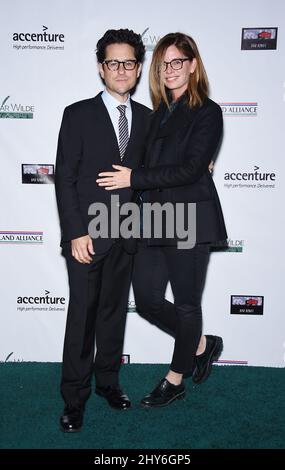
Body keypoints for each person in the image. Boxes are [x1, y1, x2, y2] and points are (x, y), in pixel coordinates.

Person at [97, 32, 227, 407]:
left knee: (187, 304)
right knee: (149, 300)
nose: (170, 70)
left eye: (177, 62)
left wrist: (133, 179)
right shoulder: (156, 116)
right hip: (156, 218)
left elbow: (188, 169)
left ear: (193, 65)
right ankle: (202, 344)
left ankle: (175, 379)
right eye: (164, 63)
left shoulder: (208, 112)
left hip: (190, 217)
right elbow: (143, 159)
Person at [55, 29, 151, 432]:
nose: (121, 69)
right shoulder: (77, 114)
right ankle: (74, 399)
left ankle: (108, 383)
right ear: (101, 67)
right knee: (83, 316)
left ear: (139, 68)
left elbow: (154, 173)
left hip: (127, 234)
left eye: (128, 62)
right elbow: (65, 178)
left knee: (113, 315)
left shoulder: (148, 119)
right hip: (88, 237)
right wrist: (76, 232)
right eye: (113, 62)